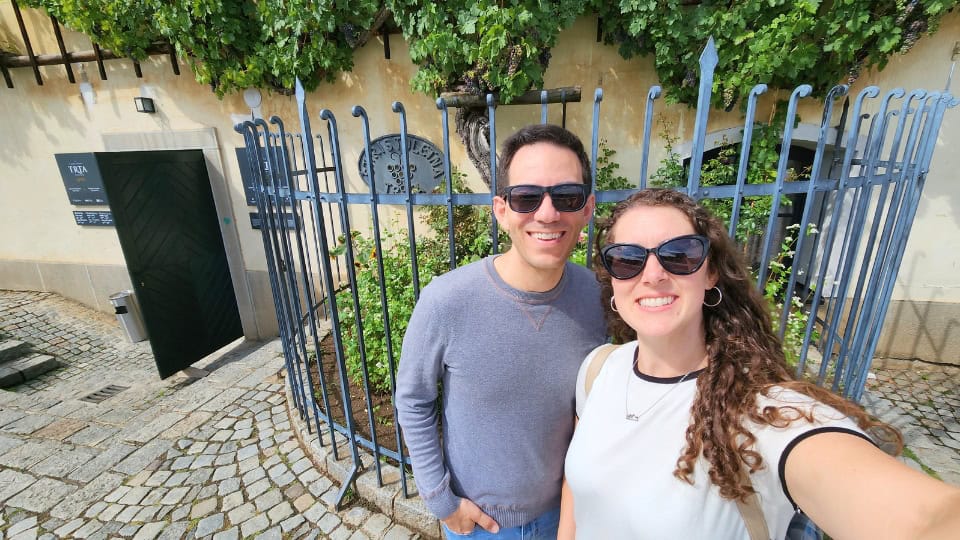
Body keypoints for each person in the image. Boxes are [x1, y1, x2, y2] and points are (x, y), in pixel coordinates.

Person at [559, 188, 960, 539]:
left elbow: (923, 520)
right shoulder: (600, 370)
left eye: (679, 255)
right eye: (627, 258)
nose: (653, 274)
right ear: (611, 277)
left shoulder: (764, 412)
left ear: (711, 272)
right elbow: (579, 492)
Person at [396, 124, 608, 539]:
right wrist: (442, 502)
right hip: (482, 527)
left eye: (566, 196)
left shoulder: (598, 298)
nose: (547, 214)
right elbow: (413, 399)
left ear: (587, 208)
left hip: (570, 517)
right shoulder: (447, 301)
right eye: (527, 197)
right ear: (501, 209)